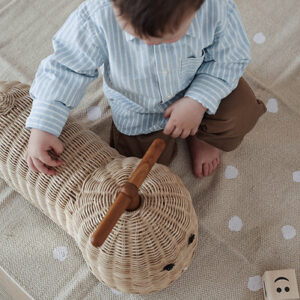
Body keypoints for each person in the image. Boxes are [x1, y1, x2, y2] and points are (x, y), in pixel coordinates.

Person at [24, 0, 266, 178]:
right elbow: (65, 67)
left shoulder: (215, 8)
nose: (149, 43)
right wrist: (44, 125)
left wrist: (198, 100)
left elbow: (230, 58)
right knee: (140, 168)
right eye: (135, 35)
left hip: (203, 83)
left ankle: (203, 137)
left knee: (240, 114)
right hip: (139, 109)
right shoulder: (97, 15)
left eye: (168, 37)